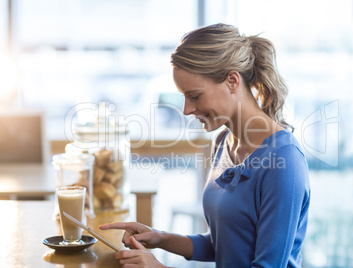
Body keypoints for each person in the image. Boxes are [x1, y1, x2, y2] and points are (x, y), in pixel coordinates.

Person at [99, 23, 310, 268]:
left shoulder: (285, 162)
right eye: (184, 97)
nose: (187, 110)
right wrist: (160, 238)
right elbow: (222, 244)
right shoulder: (223, 142)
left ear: (232, 81)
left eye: (195, 96)